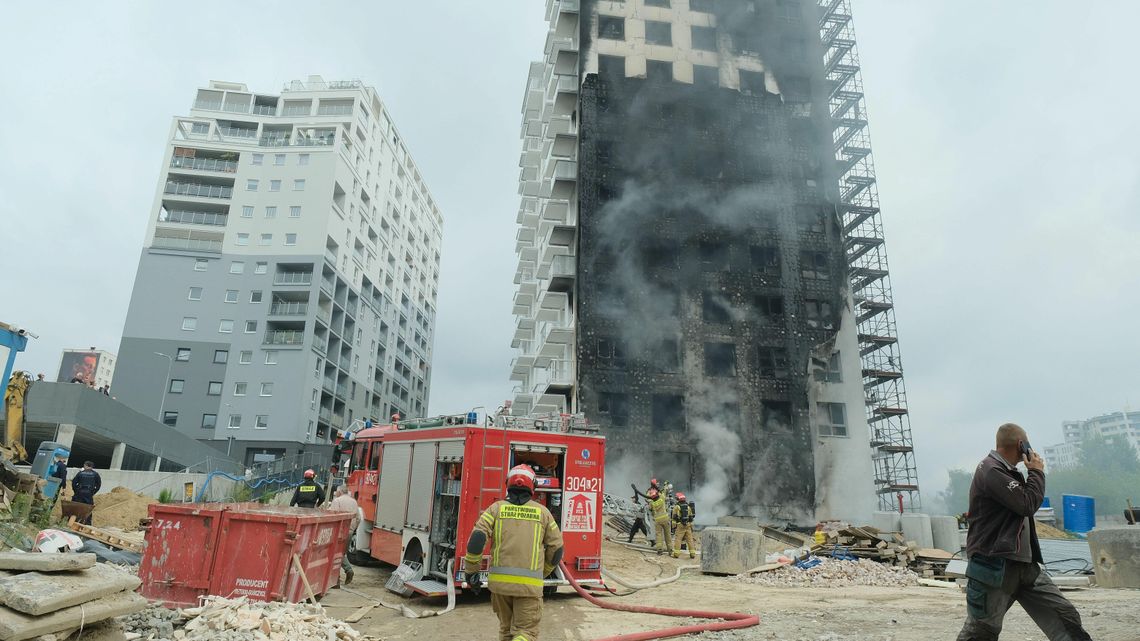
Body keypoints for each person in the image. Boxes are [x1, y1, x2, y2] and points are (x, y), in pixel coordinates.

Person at [956, 423, 1092, 641]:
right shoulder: (991, 470)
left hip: (1024, 567)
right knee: (980, 633)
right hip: (993, 568)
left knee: (1066, 619)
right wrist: (1037, 471)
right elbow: (1026, 503)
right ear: (1022, 444)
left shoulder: (1007, 472)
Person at [464, 464, 563, 641]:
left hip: (500, 586)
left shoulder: (495, 509)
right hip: (529, 587)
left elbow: (477, 539)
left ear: (508, 484)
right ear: (533, 486)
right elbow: (557, 549)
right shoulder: (544, 513)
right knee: (526, 633)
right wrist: (544, 572)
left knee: (506, 630)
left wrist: (471, 571)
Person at [327, 485, 359, 586]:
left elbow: (332, 516)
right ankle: (337, 580)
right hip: (349, 531)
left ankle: (339, 578)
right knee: (342, 553)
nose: (335, 493)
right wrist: (353, 528)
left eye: (336, 492)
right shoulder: (354, 501)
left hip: (339, 532)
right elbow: (359, 518)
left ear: (340, 492)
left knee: (335, 554)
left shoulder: (337, 501)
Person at [671, 492, 697, 559]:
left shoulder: (676, 507)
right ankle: (692, 554)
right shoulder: (688, 507)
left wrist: (673, 527)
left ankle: (676, 554)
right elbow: (691, 517)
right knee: (690, 540)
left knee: (678, 540)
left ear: (677, 499)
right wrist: (691, 527)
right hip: (688, 525)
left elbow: (674, 518)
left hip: (680, 526)